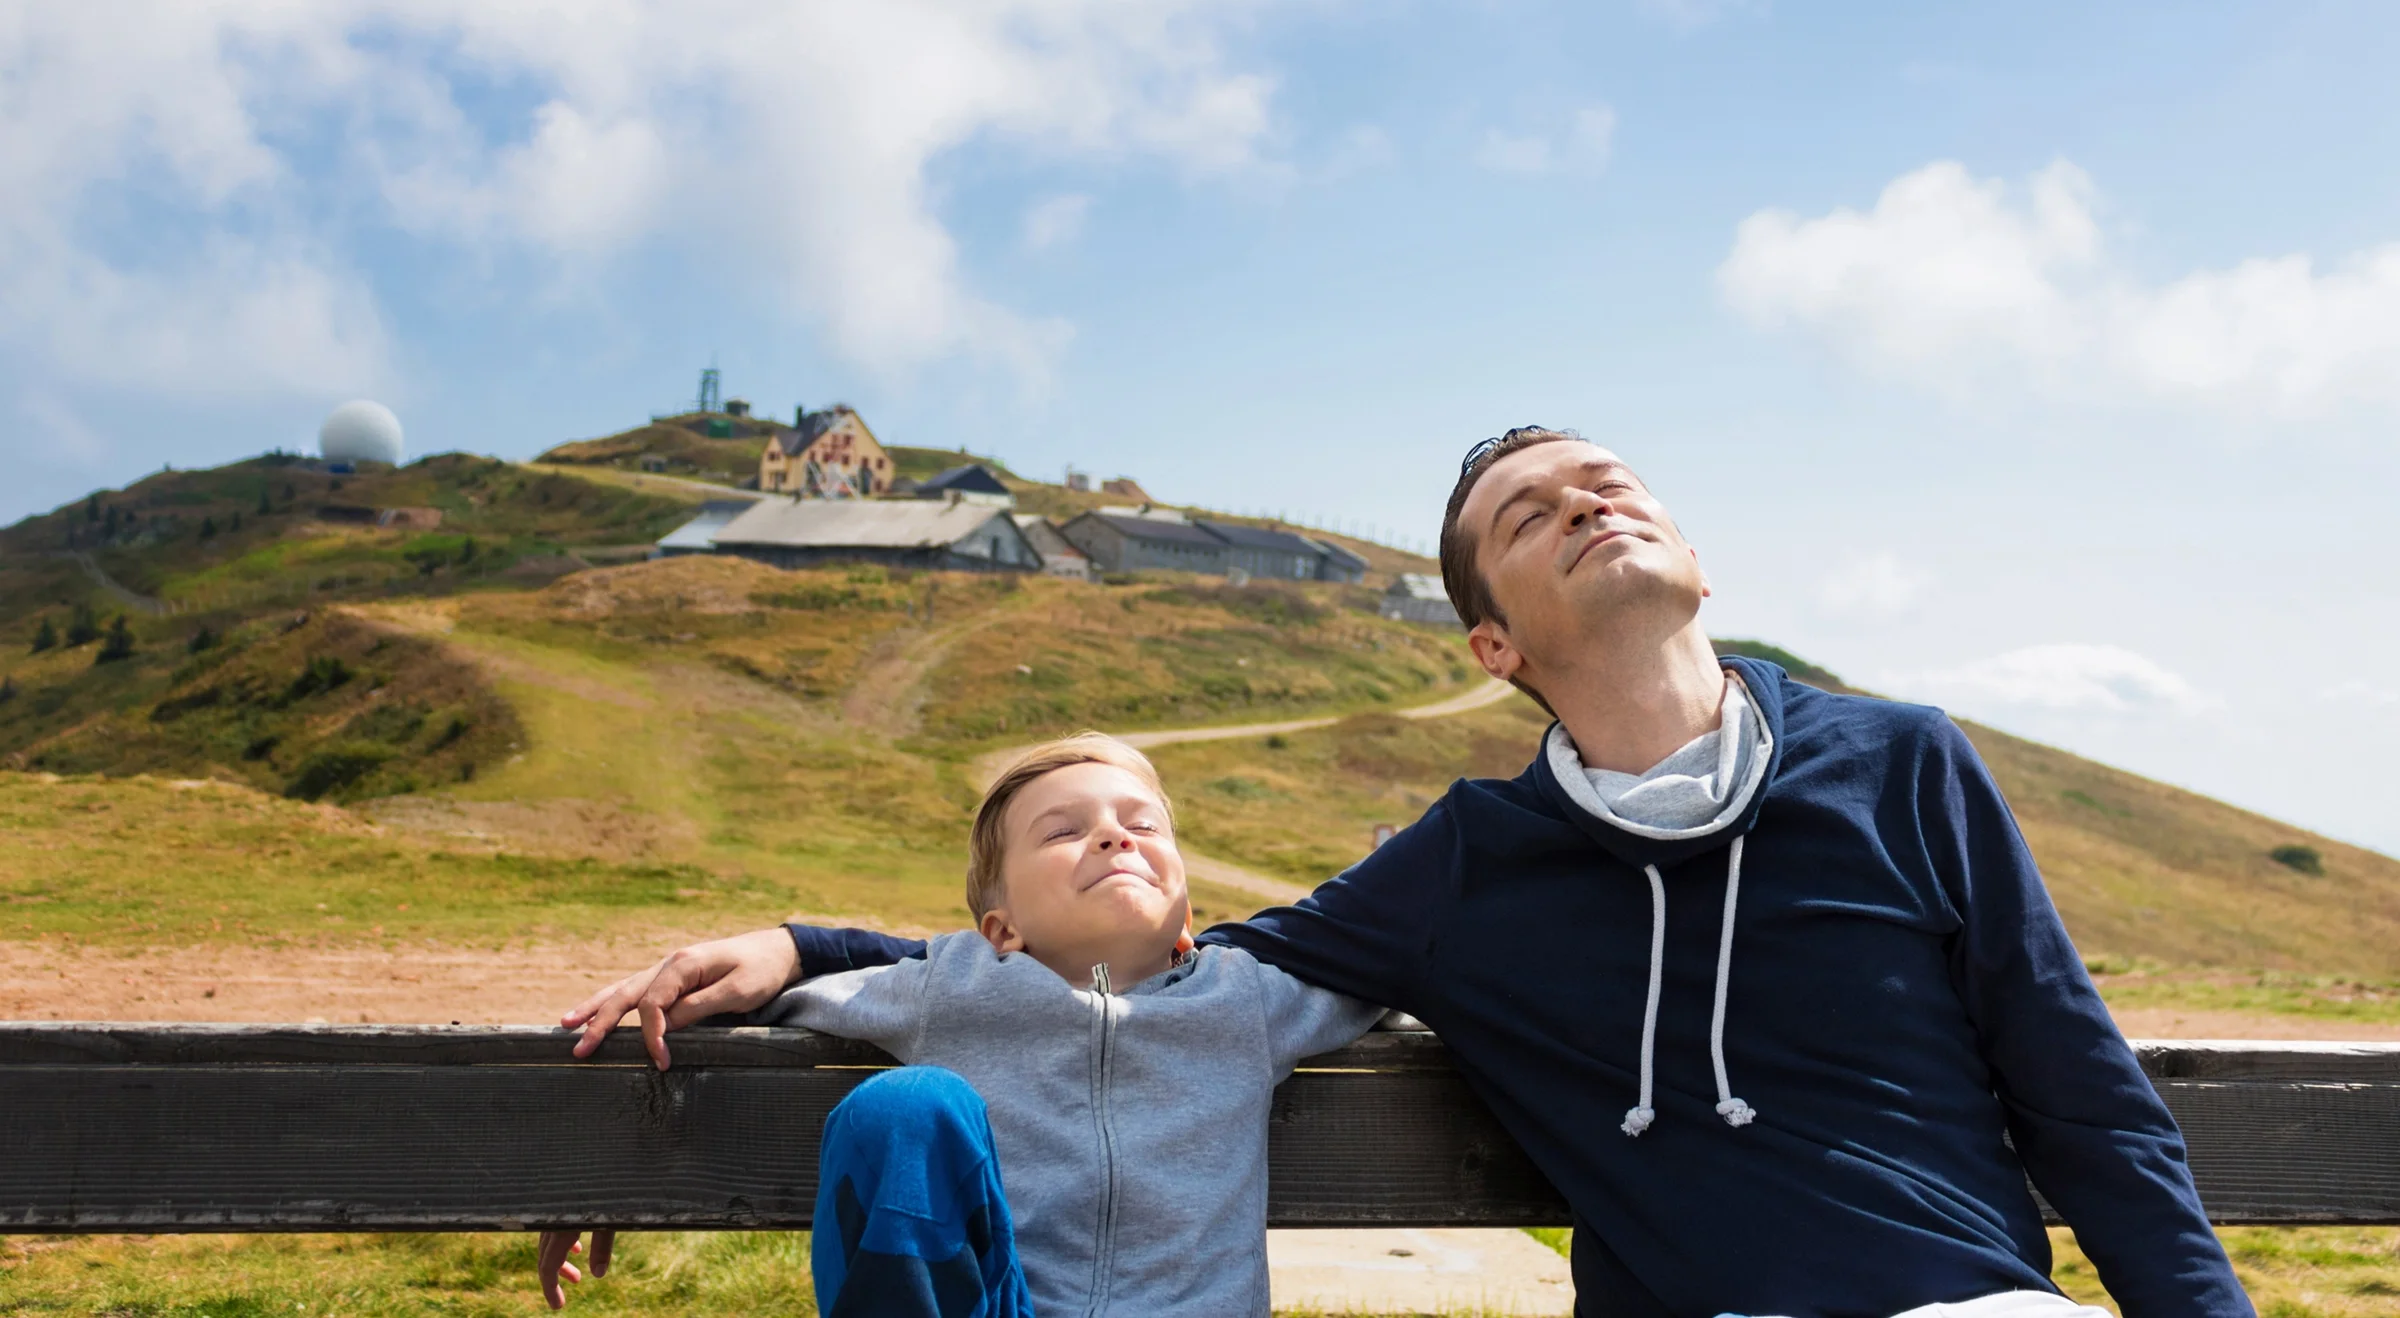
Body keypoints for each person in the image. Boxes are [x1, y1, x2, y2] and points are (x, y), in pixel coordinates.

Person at [564, 429, 2252, 1317]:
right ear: (1493, 641)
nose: (1589, 497)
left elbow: (2090, 1105)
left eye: (1611, 479)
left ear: (1695, 551)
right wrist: (798, 945)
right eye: (1532, 513)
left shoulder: (1907, 763)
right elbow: (1142, 961)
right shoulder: (1467, 864)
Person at [541, 733, 1379, 1316]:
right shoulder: (953, 985)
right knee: (904, 1109)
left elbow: (1410, 962)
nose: (1113, 836)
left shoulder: (1251, 997)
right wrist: (601, 1154)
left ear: (1188, 913)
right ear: (1001, 927)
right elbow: (712, 1005)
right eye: (1064, 830)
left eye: (1142, 823)